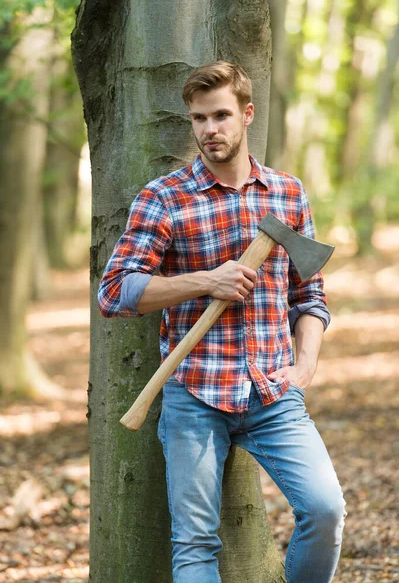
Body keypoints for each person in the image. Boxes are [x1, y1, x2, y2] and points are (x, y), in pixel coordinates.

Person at [98, 61, 346, 583]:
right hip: (195, 396)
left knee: (325, 511)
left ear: (247, 115)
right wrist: (204, 281)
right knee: (194, 544)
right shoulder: (164, 197)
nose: (210, 129)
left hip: (273, 391)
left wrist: (304, 367)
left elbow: (310, 293)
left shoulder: (288, 194)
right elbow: (115, 291)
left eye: (221, 115)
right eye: (199, 118)